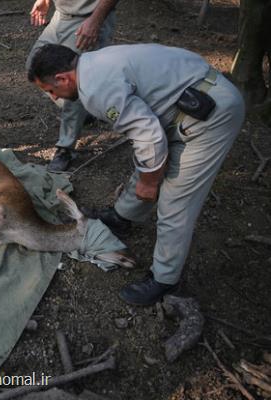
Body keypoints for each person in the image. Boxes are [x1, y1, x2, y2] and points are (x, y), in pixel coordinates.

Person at [28, 43, 245, 305]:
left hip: (210, 117)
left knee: (175, 200)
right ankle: (122, 217)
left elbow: (149, 136)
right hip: (191, 100)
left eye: (52, 90)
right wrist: (147, 174)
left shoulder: (95, 89)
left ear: (63, 77)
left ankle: (165, 279)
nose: (55, 98)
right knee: (147, 164)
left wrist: (149, 182)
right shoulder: (93, 62)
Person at [26, 0, 119, 172]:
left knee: (73, 85)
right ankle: (85, 109)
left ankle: (65, 149)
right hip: (61, 15)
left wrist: (95, 20)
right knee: (34, 67)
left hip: (88, 19)